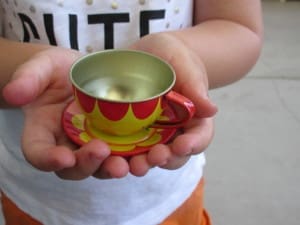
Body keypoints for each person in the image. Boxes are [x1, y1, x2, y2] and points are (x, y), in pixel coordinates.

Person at [0, 1, 263, 225]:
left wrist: (182, 56)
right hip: (36, 195)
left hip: (168, 194)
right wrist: (31, 75)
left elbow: (239, 29)